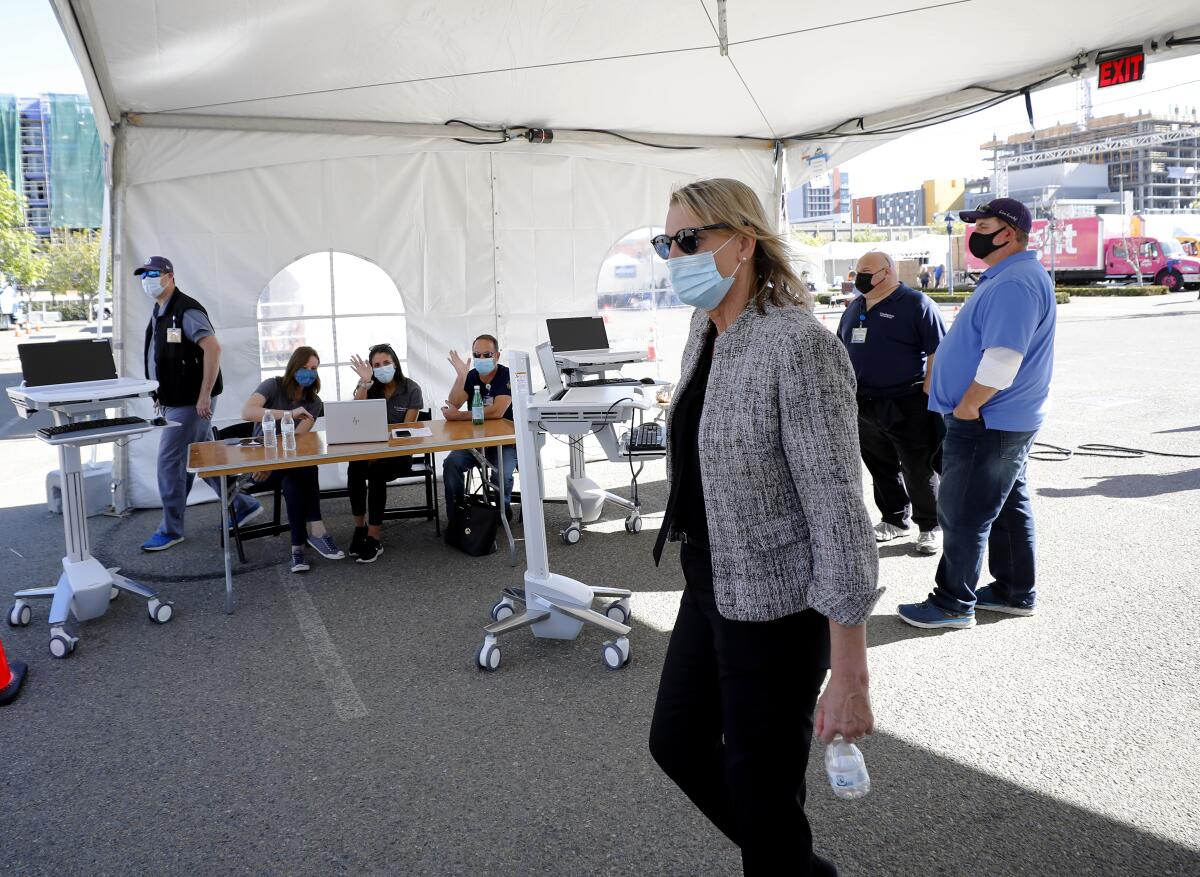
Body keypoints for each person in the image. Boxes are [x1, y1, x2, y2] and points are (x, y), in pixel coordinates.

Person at [646, 178, 880, 876]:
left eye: (689, 240)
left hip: (780, 606)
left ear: (743, 242)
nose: (675, 255)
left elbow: (839, 512)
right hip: (709, 576)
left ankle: (781, 857)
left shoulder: (798, 345)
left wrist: (850, 670)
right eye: (667, 243)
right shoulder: (704, 331)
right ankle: (793, 861)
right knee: (678, 742)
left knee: (762, 786)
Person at [899, 198, 1056, 630]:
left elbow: (1003, 359)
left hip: (987, 418)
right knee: (1005, 506)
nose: (975, 232)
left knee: (964, 509)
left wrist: (968, 406)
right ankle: (1012, 591)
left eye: (983, 224)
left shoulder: (1013, 283)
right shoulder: (1013, 276)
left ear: (1008, 233)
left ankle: (952, 603)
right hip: (1002, 419)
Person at [137, 256, 263, 551]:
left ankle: (171, 528)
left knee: (170, 463)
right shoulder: (160, 310)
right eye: (143, 274)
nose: (147, 279)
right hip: (174, 399)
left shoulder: (187, 310)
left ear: (169, 275)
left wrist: (204, 395)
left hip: (191, 402)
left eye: (153, 273)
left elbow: (213, 349)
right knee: (204, 457)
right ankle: (243, 504)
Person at [837, 251, 947, 555]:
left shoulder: (916, 304)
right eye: (857, 270)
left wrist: (929, 391)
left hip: (906, 401)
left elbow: (939, 351)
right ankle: (895, 519)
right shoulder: (856, 306)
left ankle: (930, 525)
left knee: (917, 467)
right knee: (881, 466)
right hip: (864, 403)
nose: (858, 276)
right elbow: (841, 349)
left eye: (866, 271)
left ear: (886, 272)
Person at [240, 346, 345, 572]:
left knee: (299, 472)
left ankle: (297, 548)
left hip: (285, 464)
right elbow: (247, 411)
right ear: (293, 367)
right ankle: (315, 532)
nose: (309, 372)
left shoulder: (314, 402)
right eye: (304, 367)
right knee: (304, 469)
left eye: (314, 368)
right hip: (260, 467)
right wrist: (289, 414)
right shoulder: (273, 385)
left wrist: (276, 464)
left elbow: (297, 442)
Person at [345, 343, 425, 563]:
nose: (382, 368)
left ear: (395, 363)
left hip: (399, 455)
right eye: (376, 365)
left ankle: (374, 537)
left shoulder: (412, 389)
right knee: (356, 466)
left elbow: (406, 432)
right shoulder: (369, 386)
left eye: (386, 363)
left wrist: (380, 453)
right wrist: (364, 382)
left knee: (377, 471)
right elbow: (355, 414)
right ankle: (359, 528)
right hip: (369, 451)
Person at [441, 334, 516, 515]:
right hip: (475, 442)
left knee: (501, 475)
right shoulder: (472, 375)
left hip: (505, 442)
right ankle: (457, 514)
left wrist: (459, 416)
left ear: (497, 356)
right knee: (451, 464)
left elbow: (497, 411)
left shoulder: (507, 375)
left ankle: (501, 512)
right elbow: (454, 403)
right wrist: (461, 376)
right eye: (477, 355)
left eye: (486, 355)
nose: (481, 359)